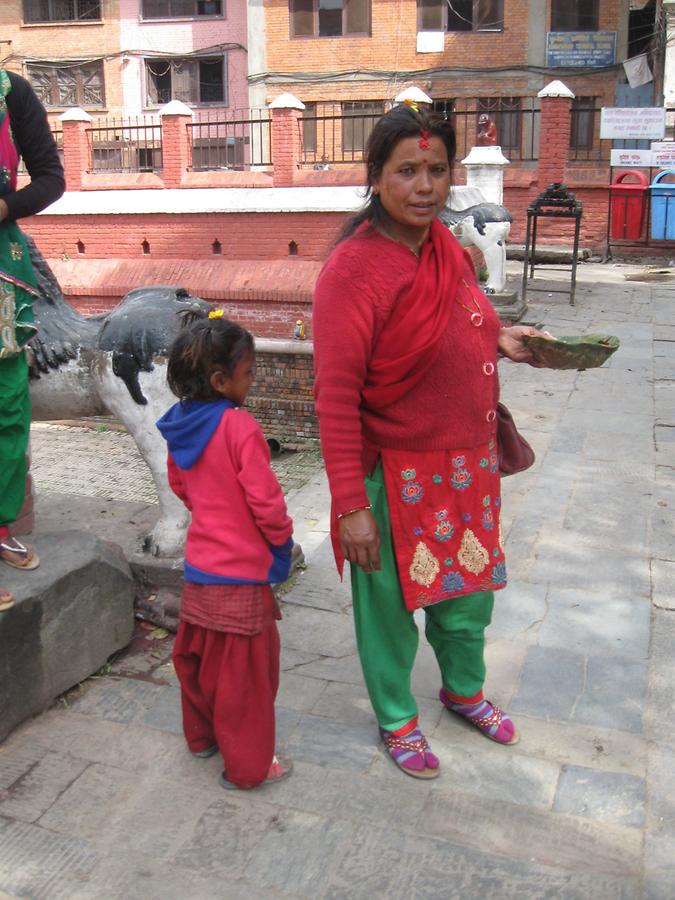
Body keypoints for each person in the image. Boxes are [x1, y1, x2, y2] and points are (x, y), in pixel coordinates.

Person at [312, 105, 547, 779]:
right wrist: (351, 504)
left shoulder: (445, 248)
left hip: (466, 470)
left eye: (436, 170)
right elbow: (333, 398)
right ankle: (395, 718)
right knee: (387, 609)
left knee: (467, 597)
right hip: (394, 475)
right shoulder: (352, 271)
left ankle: (463, 691)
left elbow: (454, 322)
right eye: (406, 171)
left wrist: (499, 340)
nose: (424, 186)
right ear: (376, 177)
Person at [156, 310, 294, 789]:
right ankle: (250, 766)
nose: (252, 381)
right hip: (242, 578)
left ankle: (201, 738)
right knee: (246, 681)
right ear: (220, 380)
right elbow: (267, 503)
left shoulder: (178, 428)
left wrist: (214, 511)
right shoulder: (240, 428)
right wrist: (282, 545)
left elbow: (180, 487)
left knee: (197, 659)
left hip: (199, 572)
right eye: (248, 373)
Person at [0, 69, 65, 612]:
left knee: (7, 405)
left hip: (0, 267)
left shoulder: (11, 92)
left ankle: (0, 525)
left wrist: (3, 209)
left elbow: (49, 178)